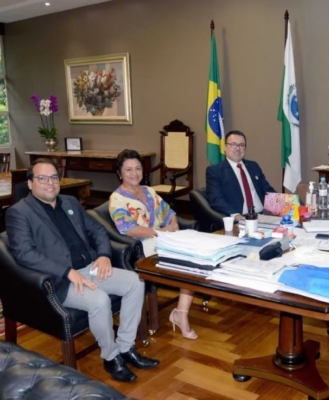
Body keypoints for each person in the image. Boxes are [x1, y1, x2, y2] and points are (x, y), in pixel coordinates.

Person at [5, 158, 159, 382]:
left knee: (136, 282)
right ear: (30, 183)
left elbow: (97, 230)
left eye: (54, 177)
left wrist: (104, 255)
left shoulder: (69, 202)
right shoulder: (19, 212)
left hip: (91, 267)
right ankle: (111, 357)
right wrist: (66, 271)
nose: (50, 183)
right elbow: (24, 254)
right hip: (59, 279)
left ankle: (126, 347)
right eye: (42, 178)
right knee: (99, 300)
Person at [109, 149, 197, 340]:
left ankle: (181, 313)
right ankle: (180, 315)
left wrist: (173, 225)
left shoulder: (149, 191)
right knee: (187, 260)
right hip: (143, 246)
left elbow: (169, 213)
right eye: (128, 169)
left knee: (194, 256)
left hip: (164, 238)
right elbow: (128, 228)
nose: (134, 173)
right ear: (120, 173)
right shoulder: (117, 199)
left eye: (138, 168)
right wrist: (161, 232)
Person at [206, 130, 276, 220]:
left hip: (263, 215)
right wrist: (235, 215)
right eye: (233, 145)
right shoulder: (215, 171)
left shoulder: (253, 166)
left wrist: (283, 203)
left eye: (242, 145)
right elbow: (216, 199)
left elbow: (267, 190)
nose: (238, 149)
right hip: (240, 217)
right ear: (225, 147)